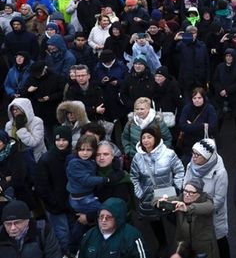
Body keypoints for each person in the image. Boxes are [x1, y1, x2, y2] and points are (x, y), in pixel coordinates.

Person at [130, 126, 185, 250]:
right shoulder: (137, 158)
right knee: (155, 222)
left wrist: (177, 187)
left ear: (156, 138)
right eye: (143, 137)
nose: (146, 140)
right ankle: (162, 244)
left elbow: (179, 170)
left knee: (175, 219)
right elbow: (134, 177)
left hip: (169, 195)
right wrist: (140, 193)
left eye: (149, 137)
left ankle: (183, 244)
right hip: (148, 197)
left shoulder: (168, 154)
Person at [183, 139, 230, 258]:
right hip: (194, 214)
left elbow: (218, 200)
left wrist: (196, 207)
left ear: (207, 157)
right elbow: (184, 186)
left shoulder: (220, 173)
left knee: (220, 244)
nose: (193, 157)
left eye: (197, 155)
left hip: (213, 216)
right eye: (193, 153)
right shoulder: (190, 166)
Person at [155, 177, 219, 258]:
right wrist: (158, 203)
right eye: (185, 191)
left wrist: (188, 208)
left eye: (191, 192)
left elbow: (209, 207)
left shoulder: (206, 200)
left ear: (199, 194)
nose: (187, 194)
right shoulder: (180, 199)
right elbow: (159, 199)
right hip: (184, 246)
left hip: (203, 248)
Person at [35, 126, 73, 256]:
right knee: (62, 235)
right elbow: (41, 187)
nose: (61, 143)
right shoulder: (46, 159)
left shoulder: (72, 156)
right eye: (58, 140)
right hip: (55, 207)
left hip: (72, 204)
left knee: (72, 233)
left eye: (64, 140)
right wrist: (54, 203)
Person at [77, 198, 148, 258]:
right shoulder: (89, 235)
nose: (103, 220)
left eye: (108, 217)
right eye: (101, 216)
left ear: (118, 219)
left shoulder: (131, 236)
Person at [177, 87, 219, 165]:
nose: (197, 100)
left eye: (199, 98)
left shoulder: (209, 109)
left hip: (204, 145)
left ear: (204, 98)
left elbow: (212, 128)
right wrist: (202, 126)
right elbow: (182, 125)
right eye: (194, 98)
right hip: (189, 145)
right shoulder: (187, 108)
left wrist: (191, 126)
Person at [5, 97, 46, 161]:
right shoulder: (10, 124)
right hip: (18, 159)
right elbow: (8, 143)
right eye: (13, 109)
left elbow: (34, 143)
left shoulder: (37, 122)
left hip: (35, 158)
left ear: (25, 109)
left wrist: (21, 128)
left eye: (17, 109)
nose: (15, 111)